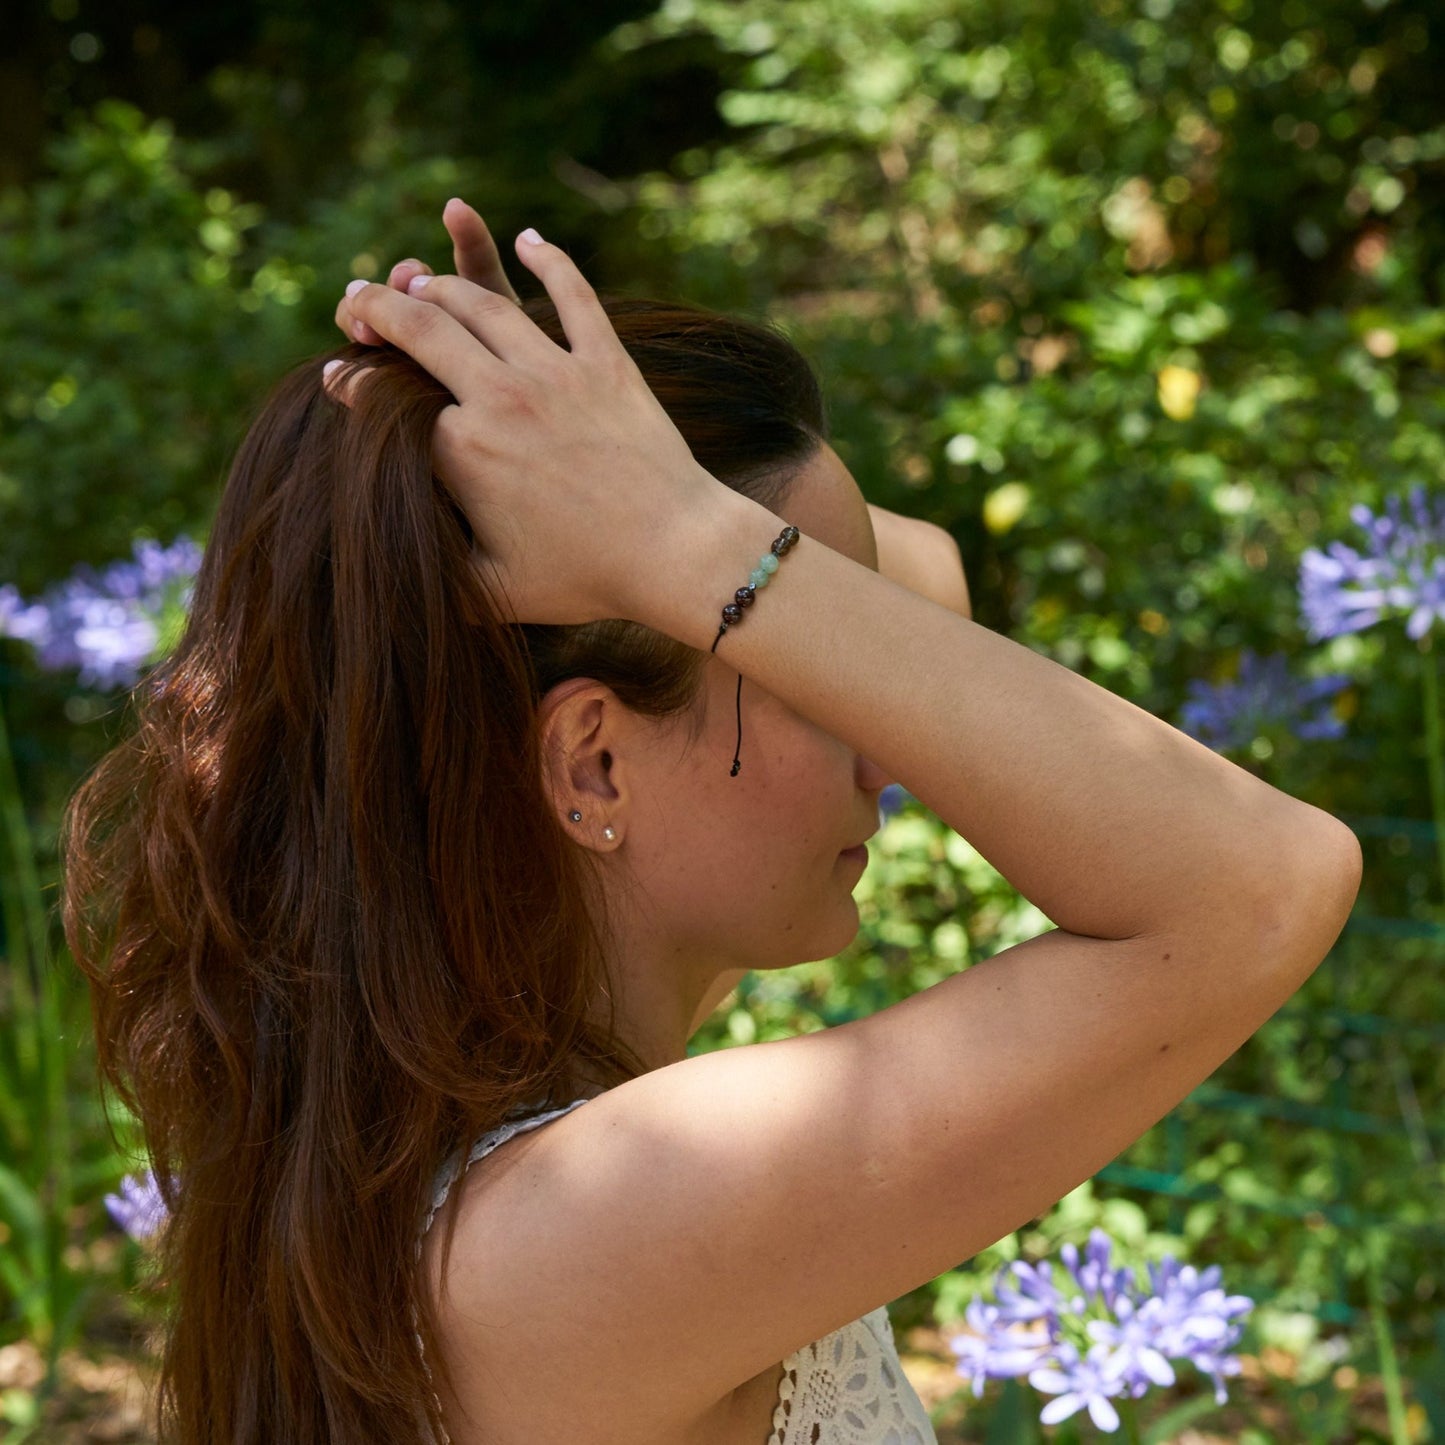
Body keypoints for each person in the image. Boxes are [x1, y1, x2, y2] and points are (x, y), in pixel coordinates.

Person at [62, 198, 1362, 1445]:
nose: (888, 756)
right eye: (800, 660)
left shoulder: (420, 1137)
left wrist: (598, 494)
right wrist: (679, 538)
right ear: (594, 769)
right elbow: (1258, 884)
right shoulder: (594, 1225)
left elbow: (924, 586)